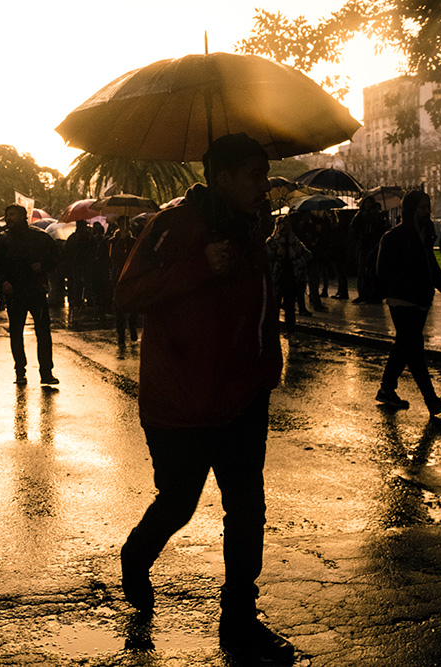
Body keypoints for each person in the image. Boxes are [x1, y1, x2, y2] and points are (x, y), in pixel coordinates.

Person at [115, 133, 295, 665]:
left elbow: (258, 306)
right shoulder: (171, 224)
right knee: (179, 501)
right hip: (181, 401)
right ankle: (136, 555)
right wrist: (198, 266)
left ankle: (239, 617)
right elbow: (126, 294)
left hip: (242, 396)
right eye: (254, 176)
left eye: (265, 176)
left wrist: (266, 369)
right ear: (223, 178)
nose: (264, 187)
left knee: (246, 509)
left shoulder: (249, 229)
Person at [375, 190, 441, 415]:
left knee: (403, 347)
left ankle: (386, 389)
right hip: (402, 302)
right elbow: (383, 272)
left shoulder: (425, 235)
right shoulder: (394, 237)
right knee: (414, 350)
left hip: (421, 301)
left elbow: (431, 265)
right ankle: (431, 400)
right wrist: (406, 285)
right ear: (411, 209)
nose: (426, 212)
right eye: (422, 207)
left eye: (427, 207)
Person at [0, 204, 60, 385]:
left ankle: (46, 372)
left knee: (43, 332)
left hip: (36, 291)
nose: (9, 218)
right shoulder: (2, 239)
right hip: (14, 293)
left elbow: (56, 256)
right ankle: (20, 371)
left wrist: (43, 265)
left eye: (13, 214)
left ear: (23, 216)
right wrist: (2, 282)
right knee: (16, 332)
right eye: (7, 215)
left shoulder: (40, 237)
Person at [266, 214, 312, 337]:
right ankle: (273, 333)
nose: (284, 228)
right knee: (276, 307)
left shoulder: (294, 241)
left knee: (290, 306)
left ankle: (290, 331)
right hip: (278, 278)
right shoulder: (272, 242)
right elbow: (266, 260)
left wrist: (298, 256)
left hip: (291, 278)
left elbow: (307, 254)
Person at [108, 215, 138, 347]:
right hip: (118, 277)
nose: (124, 226)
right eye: (122, 224)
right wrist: (121, 241)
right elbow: (111, 257)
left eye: (126, 224)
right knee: (119, 307)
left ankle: (132, 326)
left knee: (134, 305)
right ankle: (121, 335)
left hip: (132, 277)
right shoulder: (112, 242)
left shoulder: (134, 241)